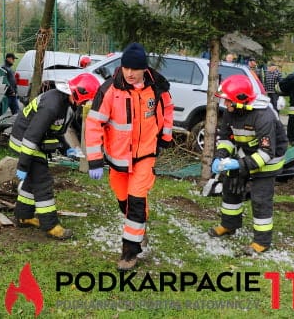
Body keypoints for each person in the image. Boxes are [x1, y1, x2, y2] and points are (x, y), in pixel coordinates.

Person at [84, 42, 174, 270]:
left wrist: (165, 137)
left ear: (144, 69)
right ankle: (139, 227)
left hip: (145, 155)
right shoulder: (109, 90)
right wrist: (94, 159)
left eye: (135, 69)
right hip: (118, 160)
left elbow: (168, 110)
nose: (130, 73)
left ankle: (129, 253)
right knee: (123, 201)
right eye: (126, 68)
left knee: (135, 201)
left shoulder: (157, 88)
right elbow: (94, 125)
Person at [10, 73, 100, 240]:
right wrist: (22, 166)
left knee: (32, 181)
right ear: (79, 94)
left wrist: (67, 149)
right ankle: (51, 226)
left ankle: (24, 215)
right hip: (26, 143)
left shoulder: (67, 105)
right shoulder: (52, 105)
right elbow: (32, 135)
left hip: (34, 142)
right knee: (43, 182)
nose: (87, 103)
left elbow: (56, 130)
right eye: (87, 99)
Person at [207, 75, 287, 255]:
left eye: (228, 100)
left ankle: (262, 242)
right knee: (231, 187)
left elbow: (266, 153)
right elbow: (226, 138)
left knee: (260, 199)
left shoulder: (263, 116)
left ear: (241, 101)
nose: (225, 104)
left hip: (269, 161)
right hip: (246, 154)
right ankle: (229, 225)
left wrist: (239, 164)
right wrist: (221, 157)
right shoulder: (231, 111)